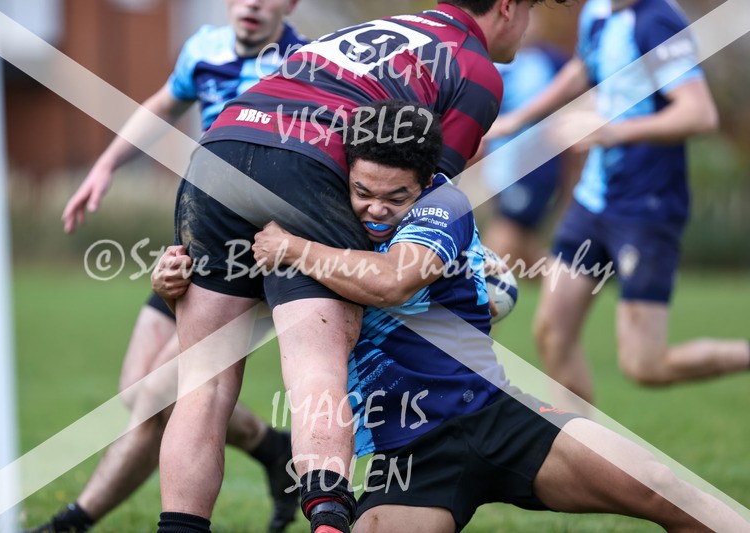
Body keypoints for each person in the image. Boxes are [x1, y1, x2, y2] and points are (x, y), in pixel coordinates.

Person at [157, 100, 749, 532]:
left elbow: (392, 281)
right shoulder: (322, 224)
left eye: (396, 197)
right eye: (364, 192)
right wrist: (176, 284)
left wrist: (292, 248)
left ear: (426, 185)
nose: (377, 209)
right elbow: (241, 309)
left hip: (501, 417)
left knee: (667, 490)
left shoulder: (446, 206)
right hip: (407, 461)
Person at [156, 2, 572, 532]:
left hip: (219, 146)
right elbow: (419, 199)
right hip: (306, 158)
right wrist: (462, 268)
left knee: (203, 384)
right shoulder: (475, 66)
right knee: (316, 365)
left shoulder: (375, 28)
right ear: (508, 8)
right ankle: (330, 522)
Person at [27, 2, 307, 532]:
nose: (252, 3)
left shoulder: (305, 65)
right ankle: (273, 449)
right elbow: (161, 106)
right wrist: (106, 166)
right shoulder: (202, 48)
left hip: (254, 256)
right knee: (139, 391)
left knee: (161, 394)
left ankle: (72, 522)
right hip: (199, 238)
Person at [489, 0, 750, 411]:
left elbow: (699, 113)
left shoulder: (655, 22)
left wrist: (614, 131)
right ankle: (583, 443)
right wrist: (519, 119)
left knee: (645, 365)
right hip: (594, 200)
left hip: (645, 208)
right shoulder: (598, 11)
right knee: (553, 332)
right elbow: (581, 69)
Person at [478, 26, 574, 270]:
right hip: (501, 164)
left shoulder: (553, 62)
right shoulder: (490, 62)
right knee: (523, 242)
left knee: (505, 231)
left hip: (533, 166)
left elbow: (577, 100)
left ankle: (474, 287)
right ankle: (571, 277)